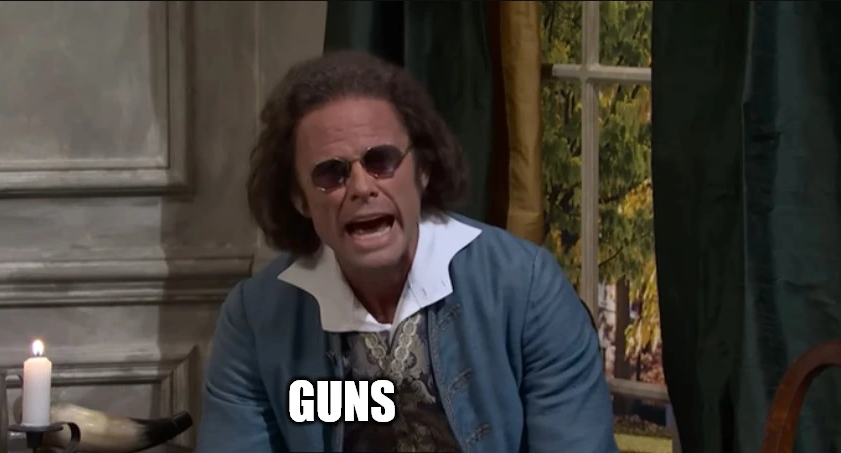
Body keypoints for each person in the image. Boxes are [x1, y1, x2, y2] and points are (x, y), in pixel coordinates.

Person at [195, 50, 619, 453]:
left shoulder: (527, 289)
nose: (362, 187)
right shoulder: (255, 319)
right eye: (331, 173)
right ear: (299, 198)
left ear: (423, 170)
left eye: (381, 160)